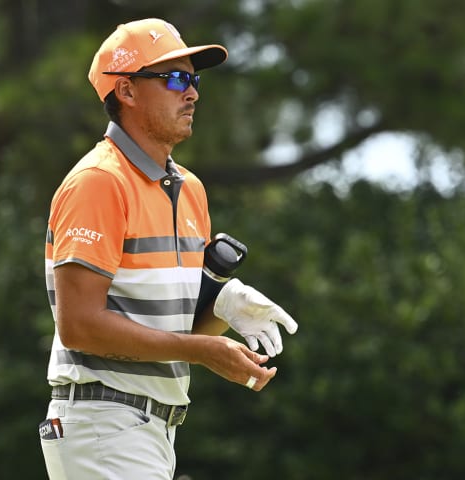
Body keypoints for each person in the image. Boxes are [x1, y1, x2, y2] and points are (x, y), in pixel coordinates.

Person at [39, 18, 298, 480]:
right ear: (127, 91)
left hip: (151, 428)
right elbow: (78, 326)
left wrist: (224, 305)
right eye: (175, 78)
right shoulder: (99, 182)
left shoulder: (189, 189)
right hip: (102, 421)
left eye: (193, 79)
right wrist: (203, 351)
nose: (193, 93)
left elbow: (179, 331)